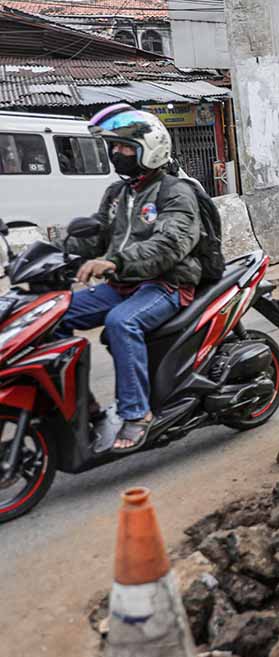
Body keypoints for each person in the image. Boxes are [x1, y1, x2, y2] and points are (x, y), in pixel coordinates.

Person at [58, 103, 202, 452]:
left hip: (166, 283)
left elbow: (170, 244)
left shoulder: (175, 192)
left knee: (121, 322)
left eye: (124, 147)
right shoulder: (117, 194)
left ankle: (137, 413)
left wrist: (114, 263)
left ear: (149, 149)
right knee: (53, 314)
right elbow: (97, 235)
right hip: (123, 283)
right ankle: (81, 405)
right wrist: (55, 252)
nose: (116, 154)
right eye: (114, 147)